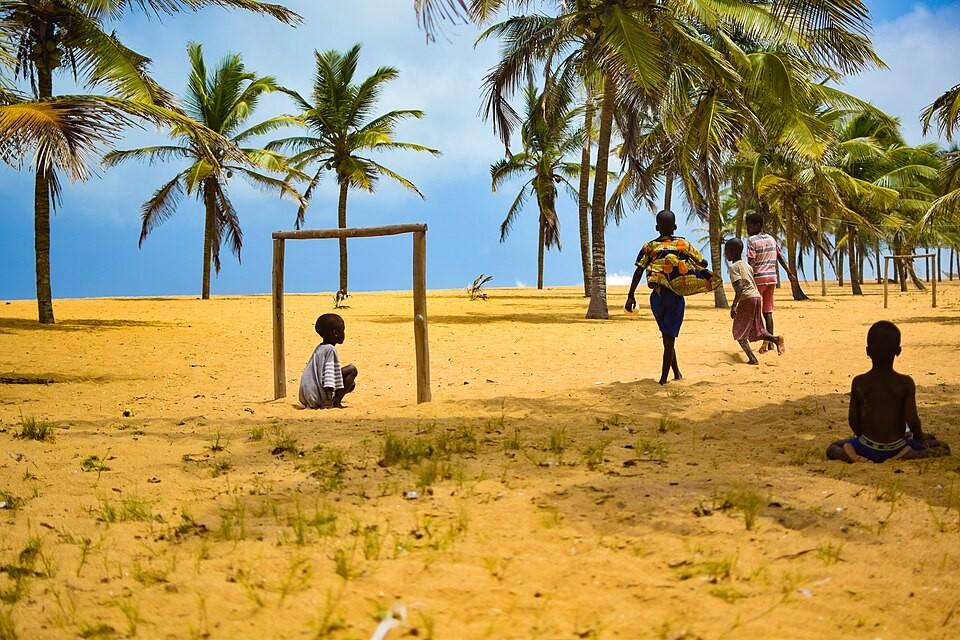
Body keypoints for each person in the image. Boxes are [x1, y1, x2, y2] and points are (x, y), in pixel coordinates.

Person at [826, 321, 950, 463]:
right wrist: (918, 436)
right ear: (898, 351)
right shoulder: (905, 383)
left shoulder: (859, 382)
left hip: (867, 446)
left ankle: (854, 456)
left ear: (868, 351)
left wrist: (861, 438)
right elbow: (912, 419)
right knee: (943, 447)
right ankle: (905, 455)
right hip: (896, 446)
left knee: (833, 448)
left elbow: (853, 420)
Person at [625, 210, 721, 385]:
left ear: (656, 227)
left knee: (666, 336)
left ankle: (676, 373)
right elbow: (703, 263)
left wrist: (630, 295)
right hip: (675, 298)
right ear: (675, 227)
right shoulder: (683, 244)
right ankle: (663, 379)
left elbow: (639, 270)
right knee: (669, 338)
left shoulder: (649, 246)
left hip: (656, 298)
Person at [726, 238, 785, 364]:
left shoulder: (733, 268)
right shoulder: (746, 265)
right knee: (757, 329)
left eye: (726, 251)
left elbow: (740, 287)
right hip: (757, 297)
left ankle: (753, 359)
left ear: (732, 252)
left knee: (739, 332)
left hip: (747, 299)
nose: (725, 254)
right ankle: (776, 339)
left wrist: (734, 306)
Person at [745, 212, 797, 353]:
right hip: (772, 278)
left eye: (749, 226)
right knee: (767, 312)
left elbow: (751, 260)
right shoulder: (771, 239)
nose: (747, 229)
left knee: (755, 312)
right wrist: (789, 272)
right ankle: (770, 343)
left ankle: (764, 339)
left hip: (758, 278)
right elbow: (779, 257)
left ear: (757, 225)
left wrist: (747, 273)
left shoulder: (752, 240)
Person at [298, 313, 358, 409]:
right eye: (342, 330)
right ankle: (336, 402)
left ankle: (330, 399)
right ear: (336, 333)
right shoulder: (330, 350)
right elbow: (328, 376)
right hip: (318, 396)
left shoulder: (320, 348)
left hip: (307, 395)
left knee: (351, 384)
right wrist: (328, 401)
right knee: (352, 370)